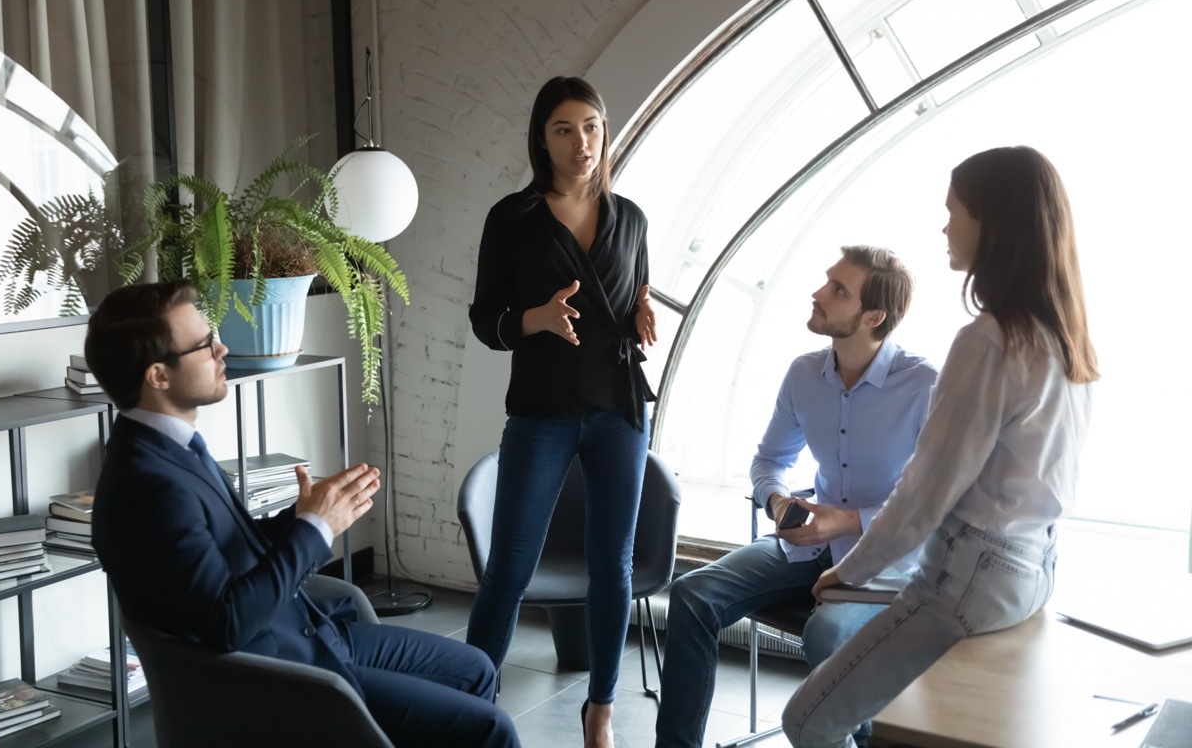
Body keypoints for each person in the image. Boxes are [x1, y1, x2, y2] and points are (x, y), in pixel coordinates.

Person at [87, 280, 520, 748]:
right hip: (279, 677)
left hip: (305, 632)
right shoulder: (147, 486)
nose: (221, 348)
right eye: (203, 344)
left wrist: (306, 513)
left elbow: (228, 548)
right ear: (158, 376)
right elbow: (227, 621)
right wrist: (316, 529)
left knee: (475, 668)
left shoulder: (171, 445)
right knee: (490, 729)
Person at [783, 146, 1098, 748]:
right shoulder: (1063, 335)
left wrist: (849, 572)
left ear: (992, 223)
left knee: (808, 718)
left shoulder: (988, 339)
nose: (945, 225)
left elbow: (927, 491)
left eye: (954, 211)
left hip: (971, 577)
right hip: (1034, 570)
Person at [654, 246, 937, 748]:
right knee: (692, 594)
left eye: (837, 290)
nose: (818, 293)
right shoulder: (804, 374)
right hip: (807, 544)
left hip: (886, 564)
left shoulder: (922, 386)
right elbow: (768, 462)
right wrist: (779, 503)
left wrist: (850, 522)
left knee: (826, 632)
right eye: (827, 282)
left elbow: (937, 502)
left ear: (874, 316)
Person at [466, 75, 657, 748]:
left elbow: (633, 295)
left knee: (615, 566)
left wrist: (641, 313)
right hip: (543, 413)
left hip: (619, 411)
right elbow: (484, 321)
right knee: (509, 567)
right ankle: (470, 706)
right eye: (565, 130)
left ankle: (599, 712)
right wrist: (535, 318)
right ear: (541, 140)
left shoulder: (629, 216)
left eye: (592, 128)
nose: (582, 143)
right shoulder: (511, 219)